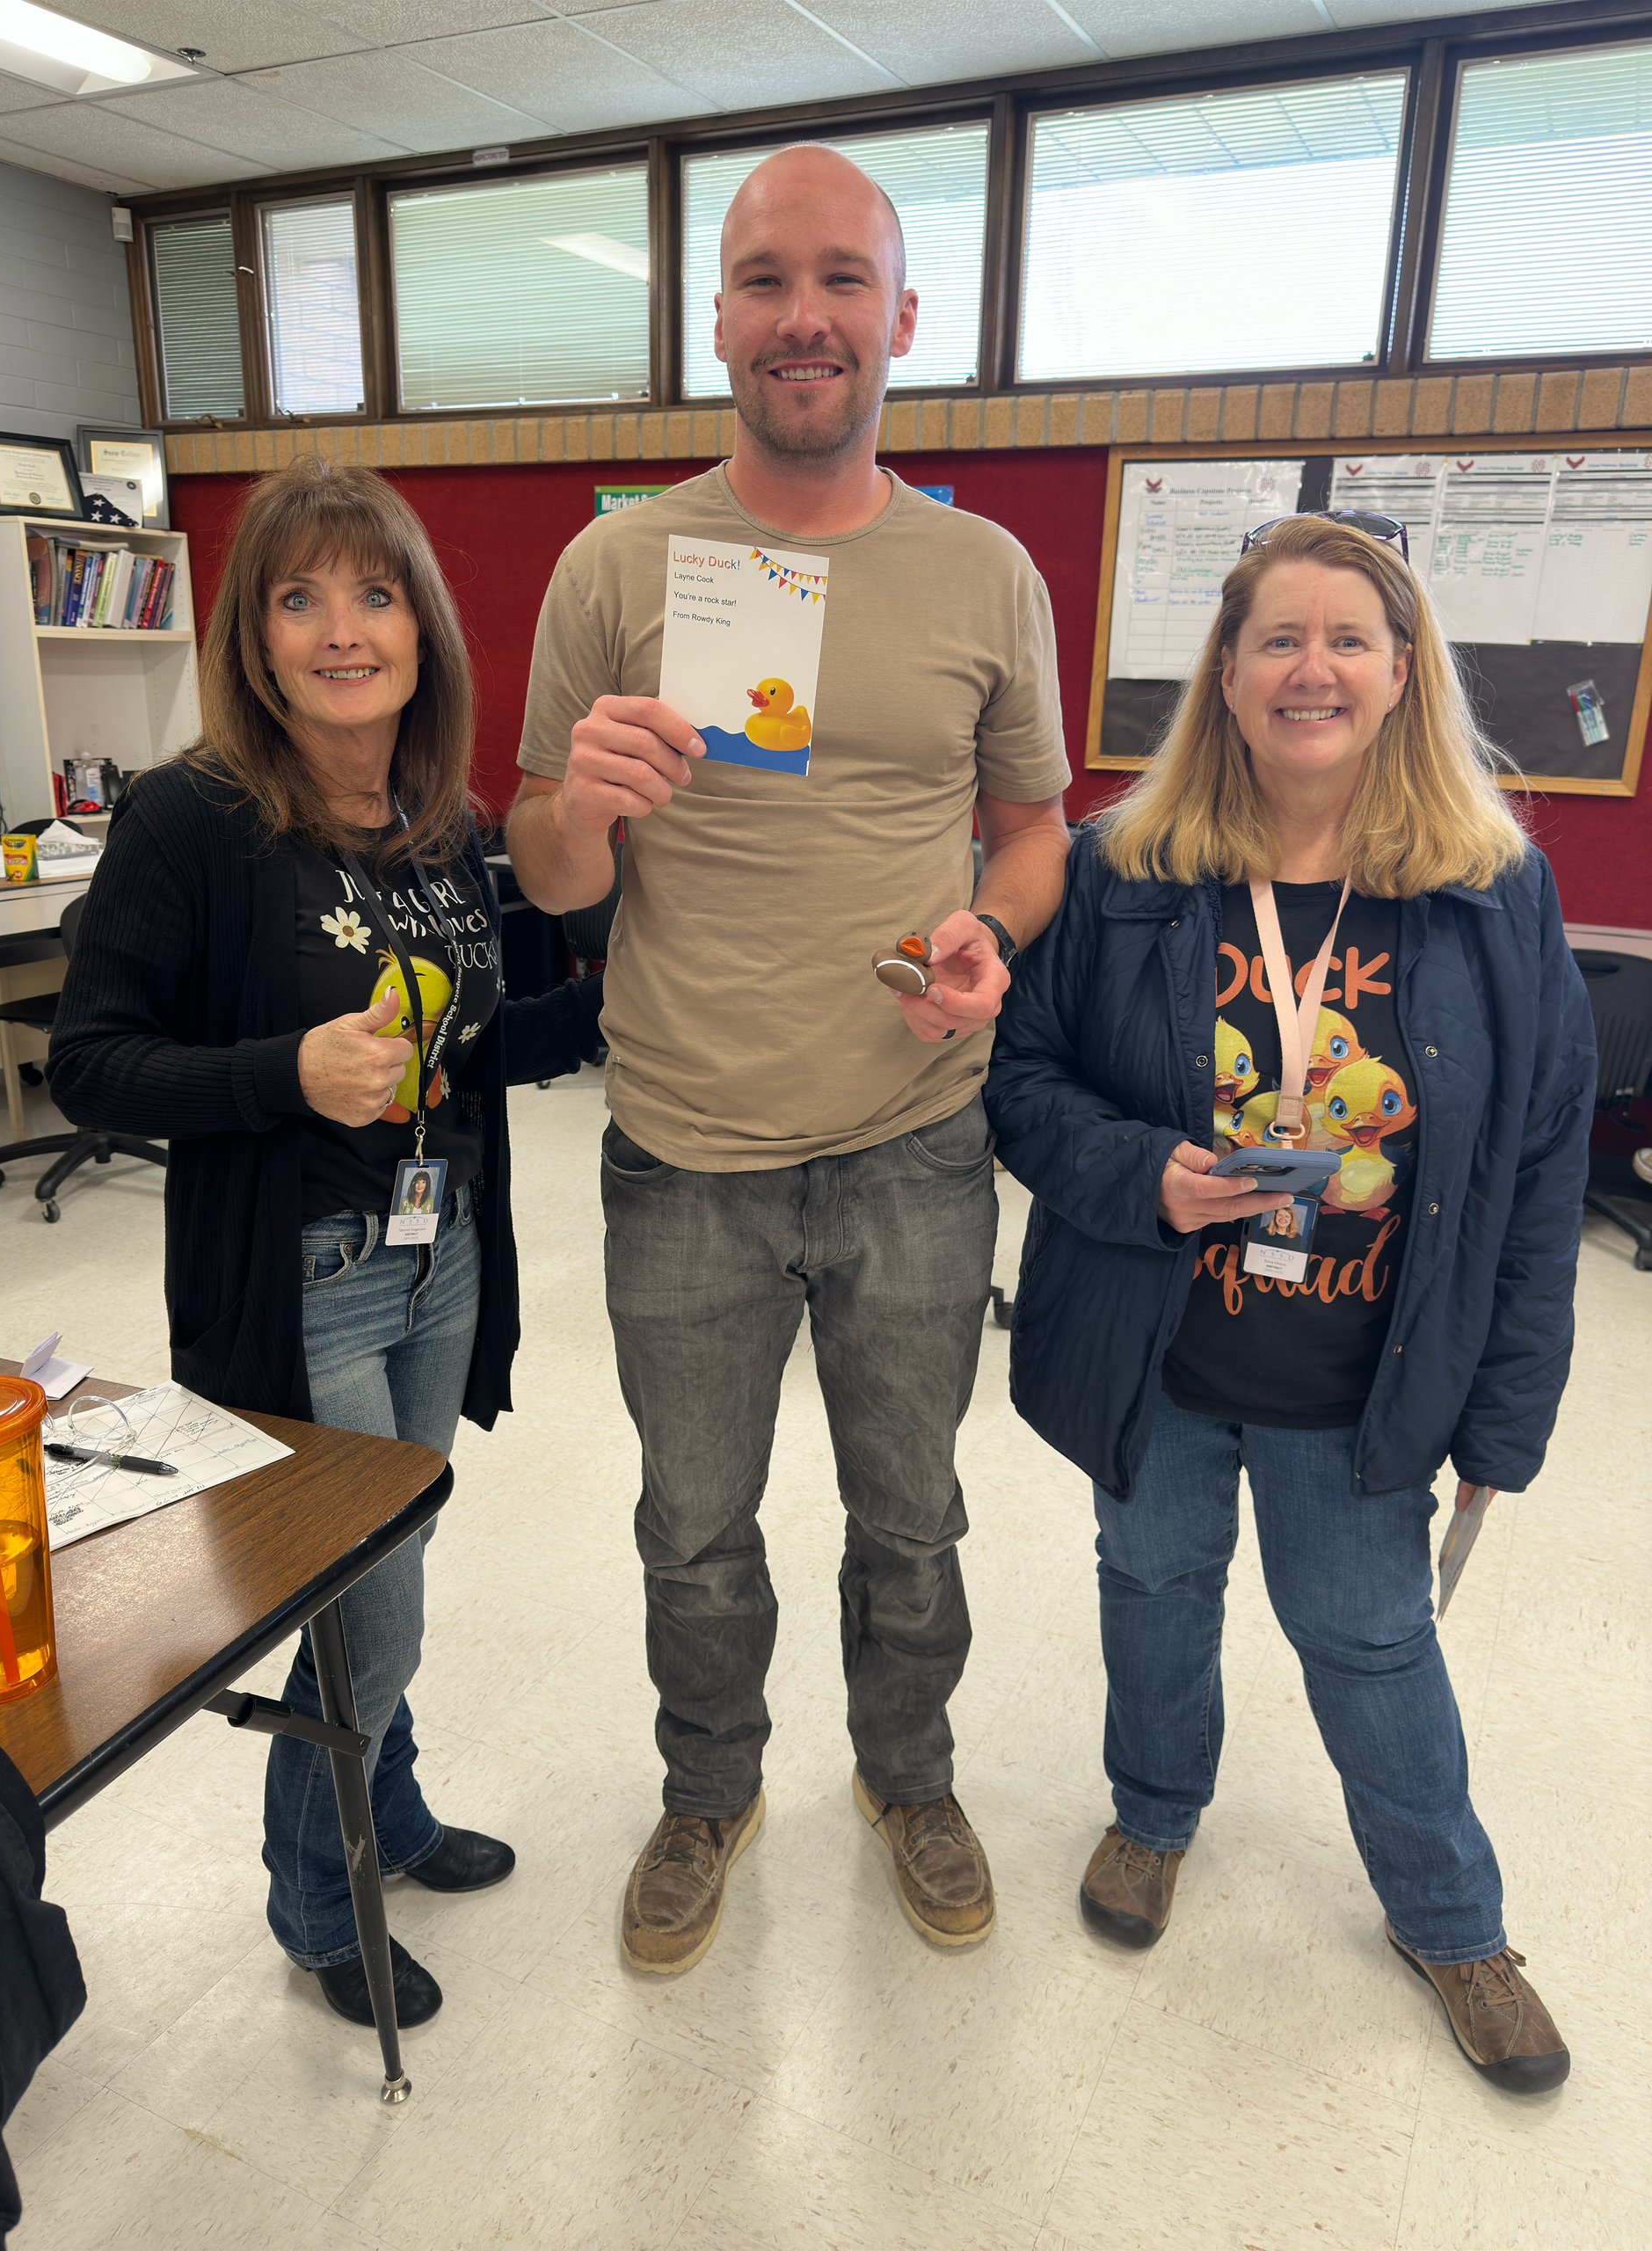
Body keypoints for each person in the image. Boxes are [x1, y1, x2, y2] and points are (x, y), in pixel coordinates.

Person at [509, 143, 1071, 1971]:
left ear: (903, 319)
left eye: (843, 279)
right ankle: (708, 1787)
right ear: (721, 319)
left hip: (916, 1138)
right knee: (695, 1525)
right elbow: (549, 865)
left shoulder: (988, 574)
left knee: (912, 1516)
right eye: (766, 280)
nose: (804, 314)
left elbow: (1035, 828)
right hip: (684, 1143)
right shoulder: (614, 563)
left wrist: (998, 925)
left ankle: (908, 1773)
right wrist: (578, 809)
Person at [985, 512, 1593, 2094]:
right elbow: (1024, 1081)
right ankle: (1155, 1811)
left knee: (1374, 1643)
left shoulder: (1488, 888)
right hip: (1161, 1353)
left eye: (1347, 639)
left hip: (1363, 1379)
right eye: (1277, 637)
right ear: (1231, 670)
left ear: (1401, 672)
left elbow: (1538, 1172)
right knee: (1154, 1592)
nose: (1310, 667)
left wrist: (1506, 1415)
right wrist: (1143, 1175)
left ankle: (1454, 1920)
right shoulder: (1130, 868)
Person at [47, 457, 606, 2031]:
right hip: (299, 1284)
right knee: (368, 1604)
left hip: (438, 1267)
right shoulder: (194, 819)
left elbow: (471, 1050)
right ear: (255, 635)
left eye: (373, 594)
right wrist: (277, 1073)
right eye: (300, 598)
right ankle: (317, 1897)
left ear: (422, 625)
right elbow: (92, 1060)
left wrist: (638, 998)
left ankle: (397, 1813)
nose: (342, 630)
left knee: (390, 1561)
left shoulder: (444, 825)